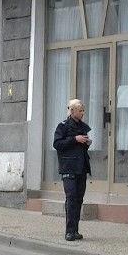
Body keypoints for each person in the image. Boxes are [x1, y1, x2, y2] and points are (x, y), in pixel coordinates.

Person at [53, 99, 92, 241]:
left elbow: (80, 148)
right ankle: (69, 231)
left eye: (83, 110)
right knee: (71, 198)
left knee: (79, 199)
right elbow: (57, 144)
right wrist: (75, 139)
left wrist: (86, 142)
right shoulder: (63, 126)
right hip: (68, 167)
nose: (83, 113)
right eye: (80, 110)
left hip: (81, 167)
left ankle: (75, 230)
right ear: (72, 111)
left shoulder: (82, 127)